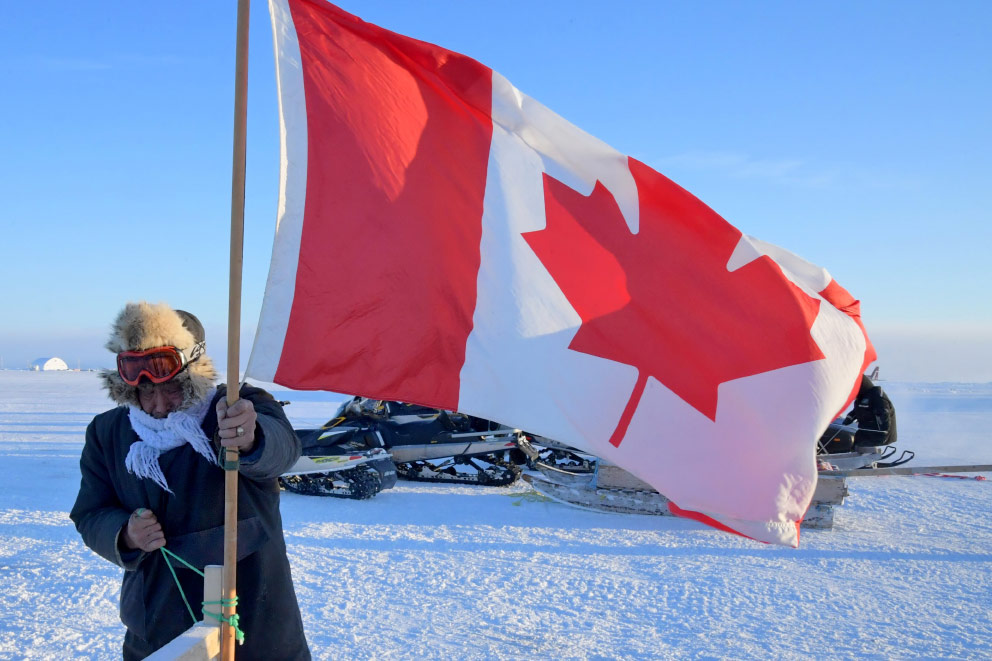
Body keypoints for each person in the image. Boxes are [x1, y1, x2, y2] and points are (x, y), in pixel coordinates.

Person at [70, 301, 311, 660]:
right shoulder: (109, 432)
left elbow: (284, 449)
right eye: (146, 392)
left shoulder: (236, 407)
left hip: (254, 621)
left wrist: (250, 438)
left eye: (172, 389)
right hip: (155, 625)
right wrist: (124, 533)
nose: (159, 405)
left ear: (194, 375)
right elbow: (90, 513)